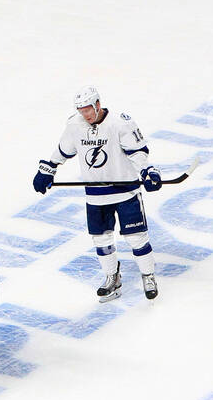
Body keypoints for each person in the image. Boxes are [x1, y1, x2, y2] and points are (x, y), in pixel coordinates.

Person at [33, 87, 162, 301]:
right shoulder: (75, 125)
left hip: (125, 192)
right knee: (101, 239)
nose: (85, 114)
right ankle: (112, 277)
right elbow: (64, 150)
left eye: (88, 110)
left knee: (136, 238)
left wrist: (147, 171)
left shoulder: (121, 122)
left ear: (98, 105)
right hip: (95, 195)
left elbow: (138, 152)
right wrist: (48, 168)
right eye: (81, 110)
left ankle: (148, 275)